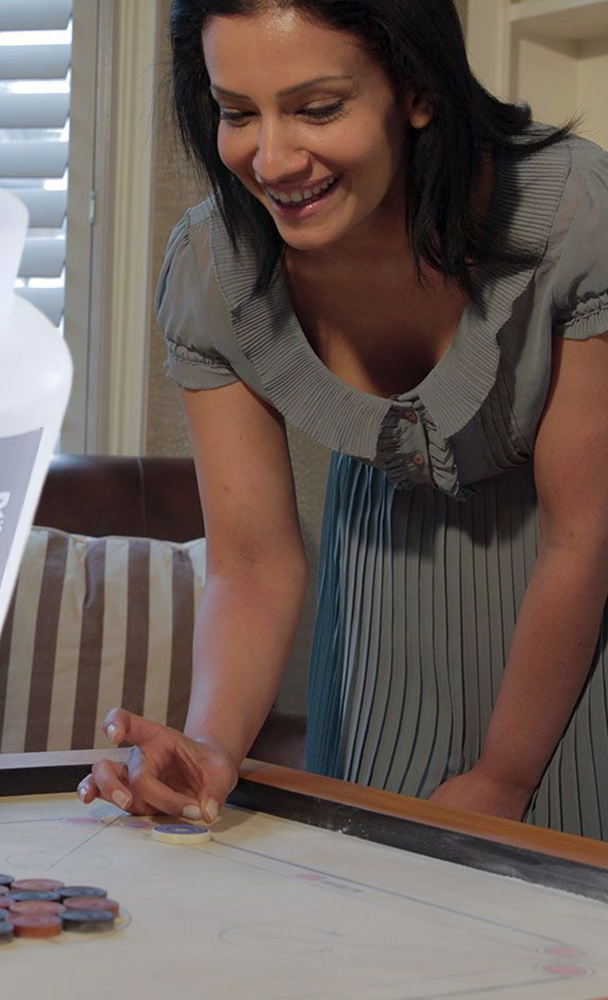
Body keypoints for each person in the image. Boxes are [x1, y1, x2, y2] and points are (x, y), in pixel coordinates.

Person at [78, 0, 608, 839]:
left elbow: (585, 536)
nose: (274, 157)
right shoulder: (216, 271)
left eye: (317, 108)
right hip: (378, 627)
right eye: (237, 112)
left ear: (417, 89)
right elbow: (250, 562)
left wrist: (504, 776)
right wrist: (212, 745)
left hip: (571, 639)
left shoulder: (575, 215)